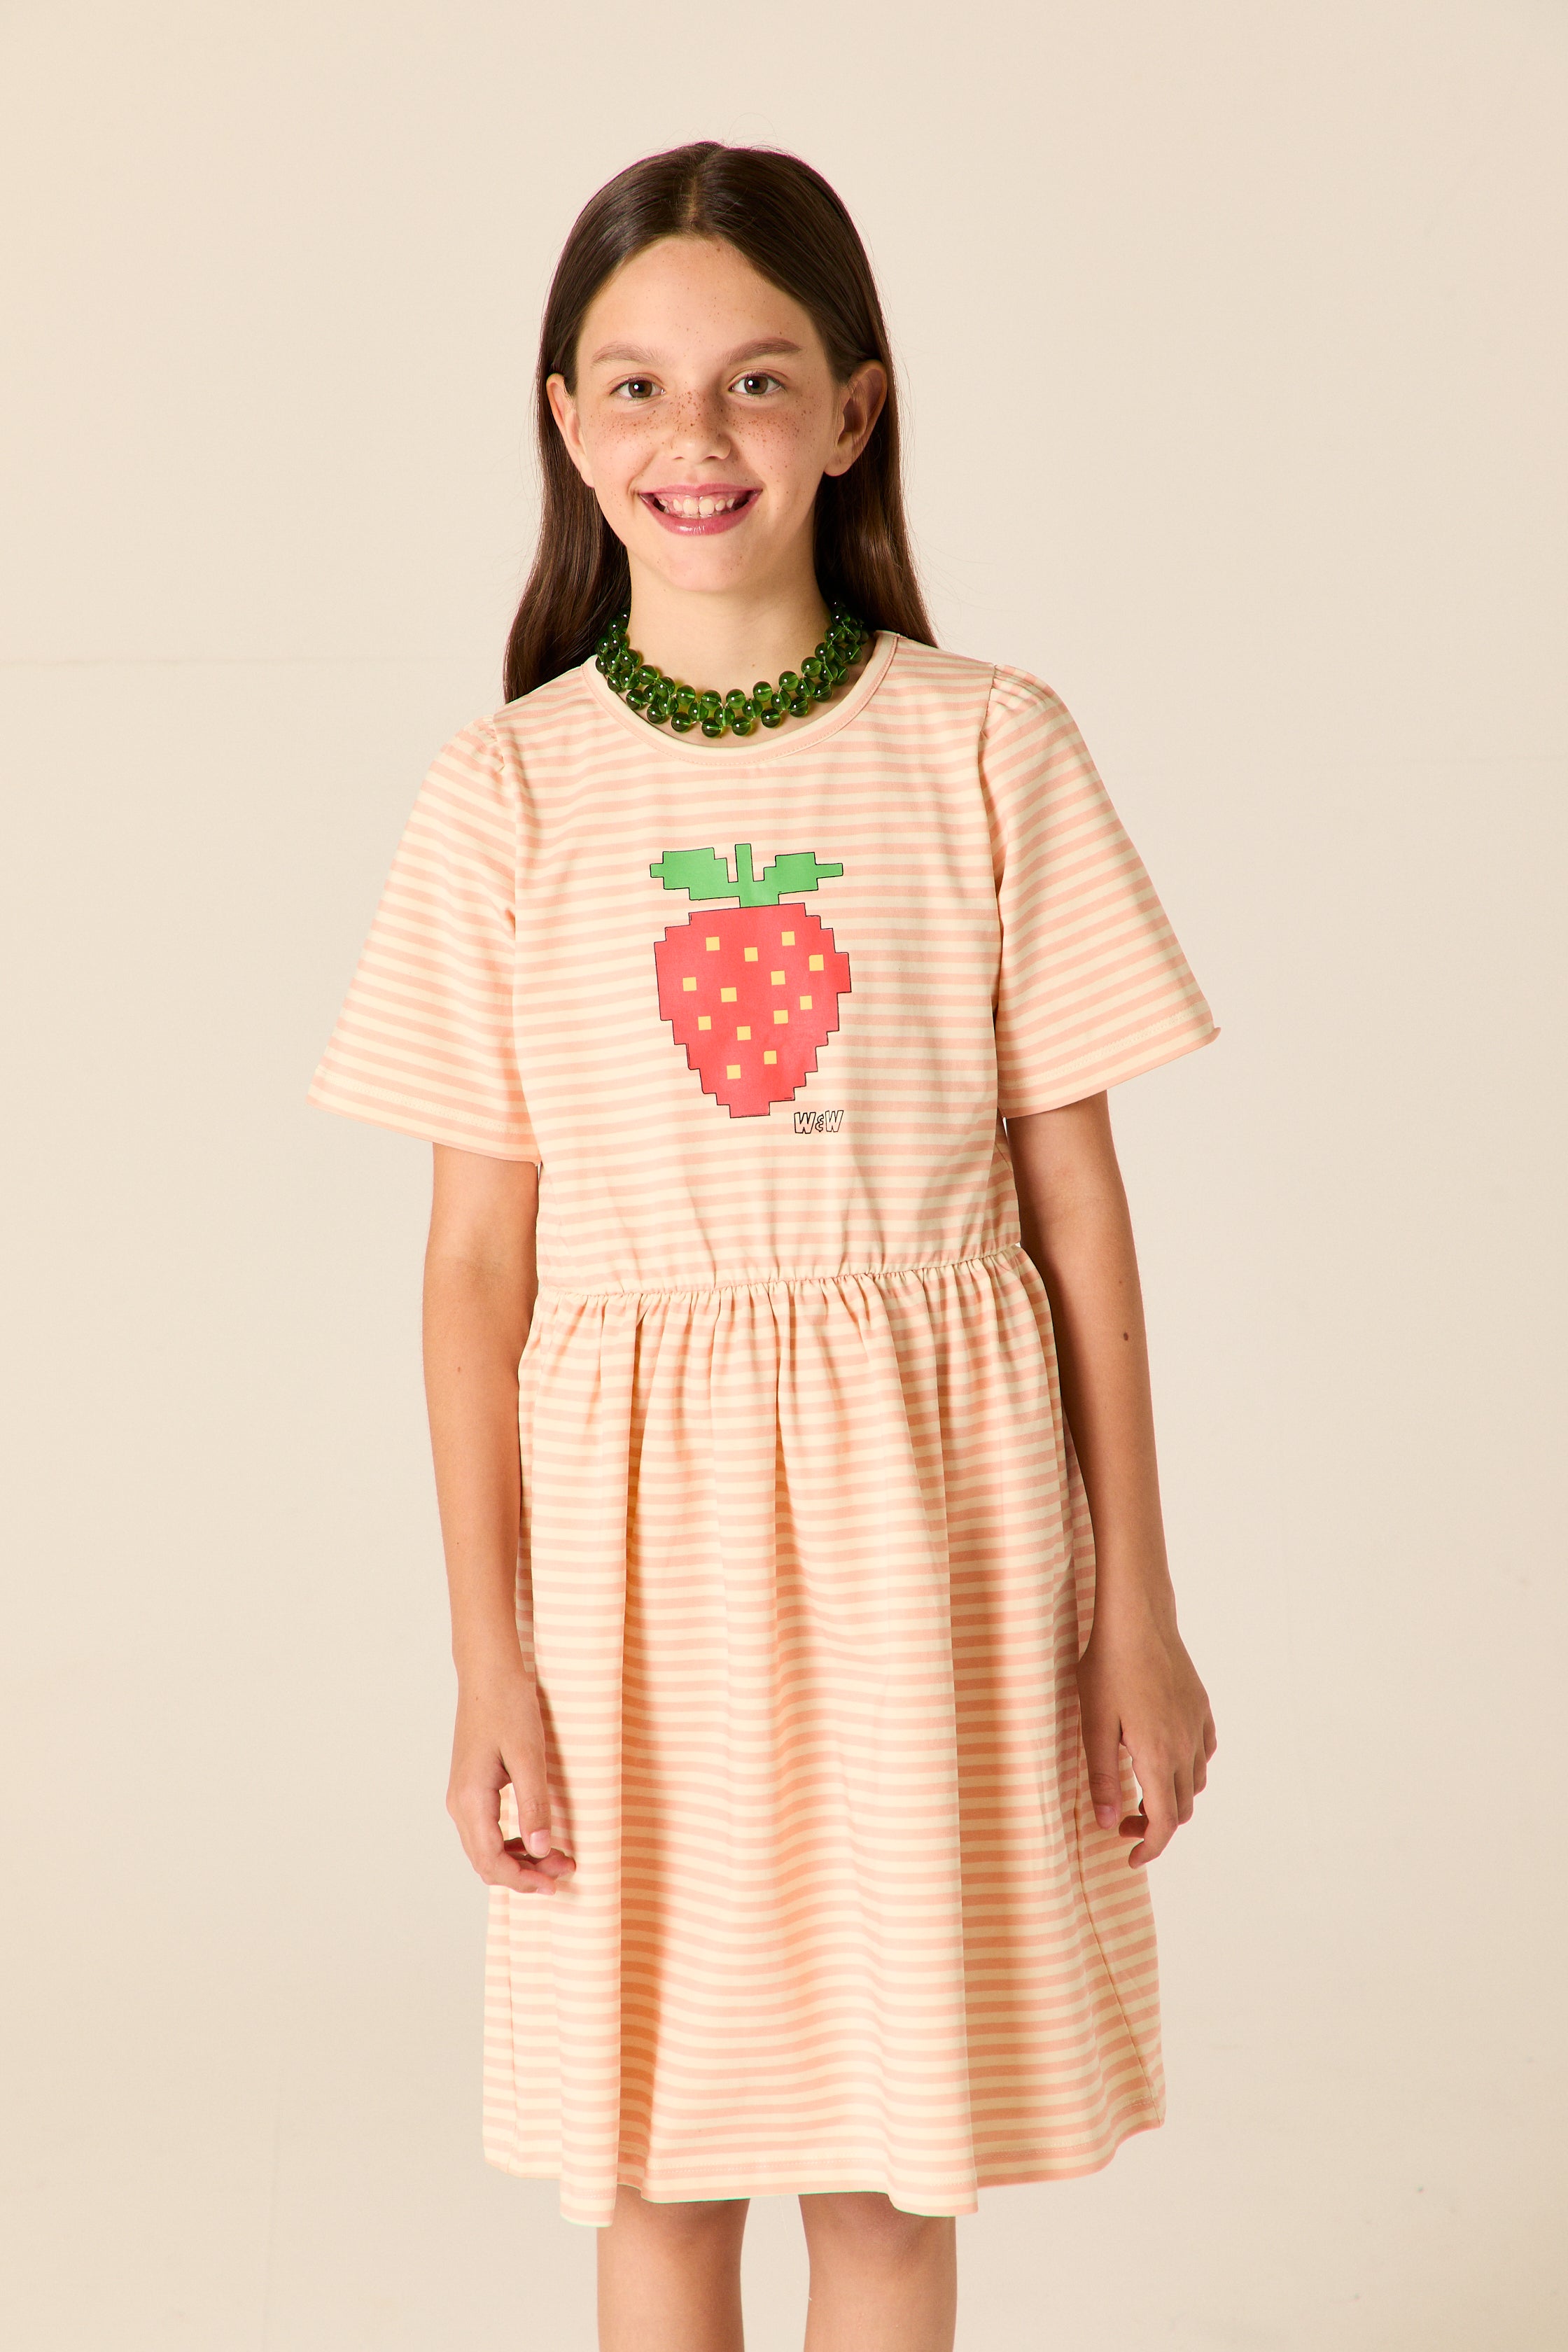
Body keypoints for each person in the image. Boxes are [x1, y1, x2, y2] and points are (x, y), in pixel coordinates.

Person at [307, 139, 1219, 2352]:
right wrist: (489, 1656)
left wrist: (1141, 1615)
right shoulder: (503, 793)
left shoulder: (988, 749)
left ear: (854, 409)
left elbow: (1077, 1207)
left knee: (896, 2167)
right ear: (565, 423)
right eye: (633, 385)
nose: (692, 436)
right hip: (638, 1565)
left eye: (755, 379)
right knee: (662, 2154)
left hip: (942, 1538)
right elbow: (472, 1269)